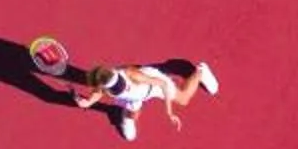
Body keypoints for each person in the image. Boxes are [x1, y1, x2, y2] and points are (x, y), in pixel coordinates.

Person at [65, 58, 218, 140]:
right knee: (132, 110)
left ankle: (200, 71)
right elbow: (89, 101)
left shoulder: (133, 76)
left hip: (152, 85)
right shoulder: (102, 87)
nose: (122, 86)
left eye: (121, 84)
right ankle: (128, 119)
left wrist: (169, 113)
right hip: (134, 98)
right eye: (117, 87)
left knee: (183, 99)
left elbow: (163, 84)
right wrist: (81, 100)